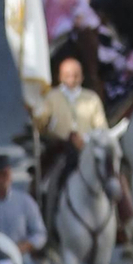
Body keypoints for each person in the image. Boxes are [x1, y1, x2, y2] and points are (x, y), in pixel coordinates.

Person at [32, 56, 106, 206]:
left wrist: (84, 140)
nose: (72, 79)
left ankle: (123, 220)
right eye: (67, 75)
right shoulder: (51, 97)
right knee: (43, 183)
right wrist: (36, 112)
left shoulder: (91, 98)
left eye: (76, 75)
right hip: (60, 149)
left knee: (112, 177)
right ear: (60, 77)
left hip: (88, 149)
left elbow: (101, 128)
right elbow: (41, 124)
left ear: (82, 76)